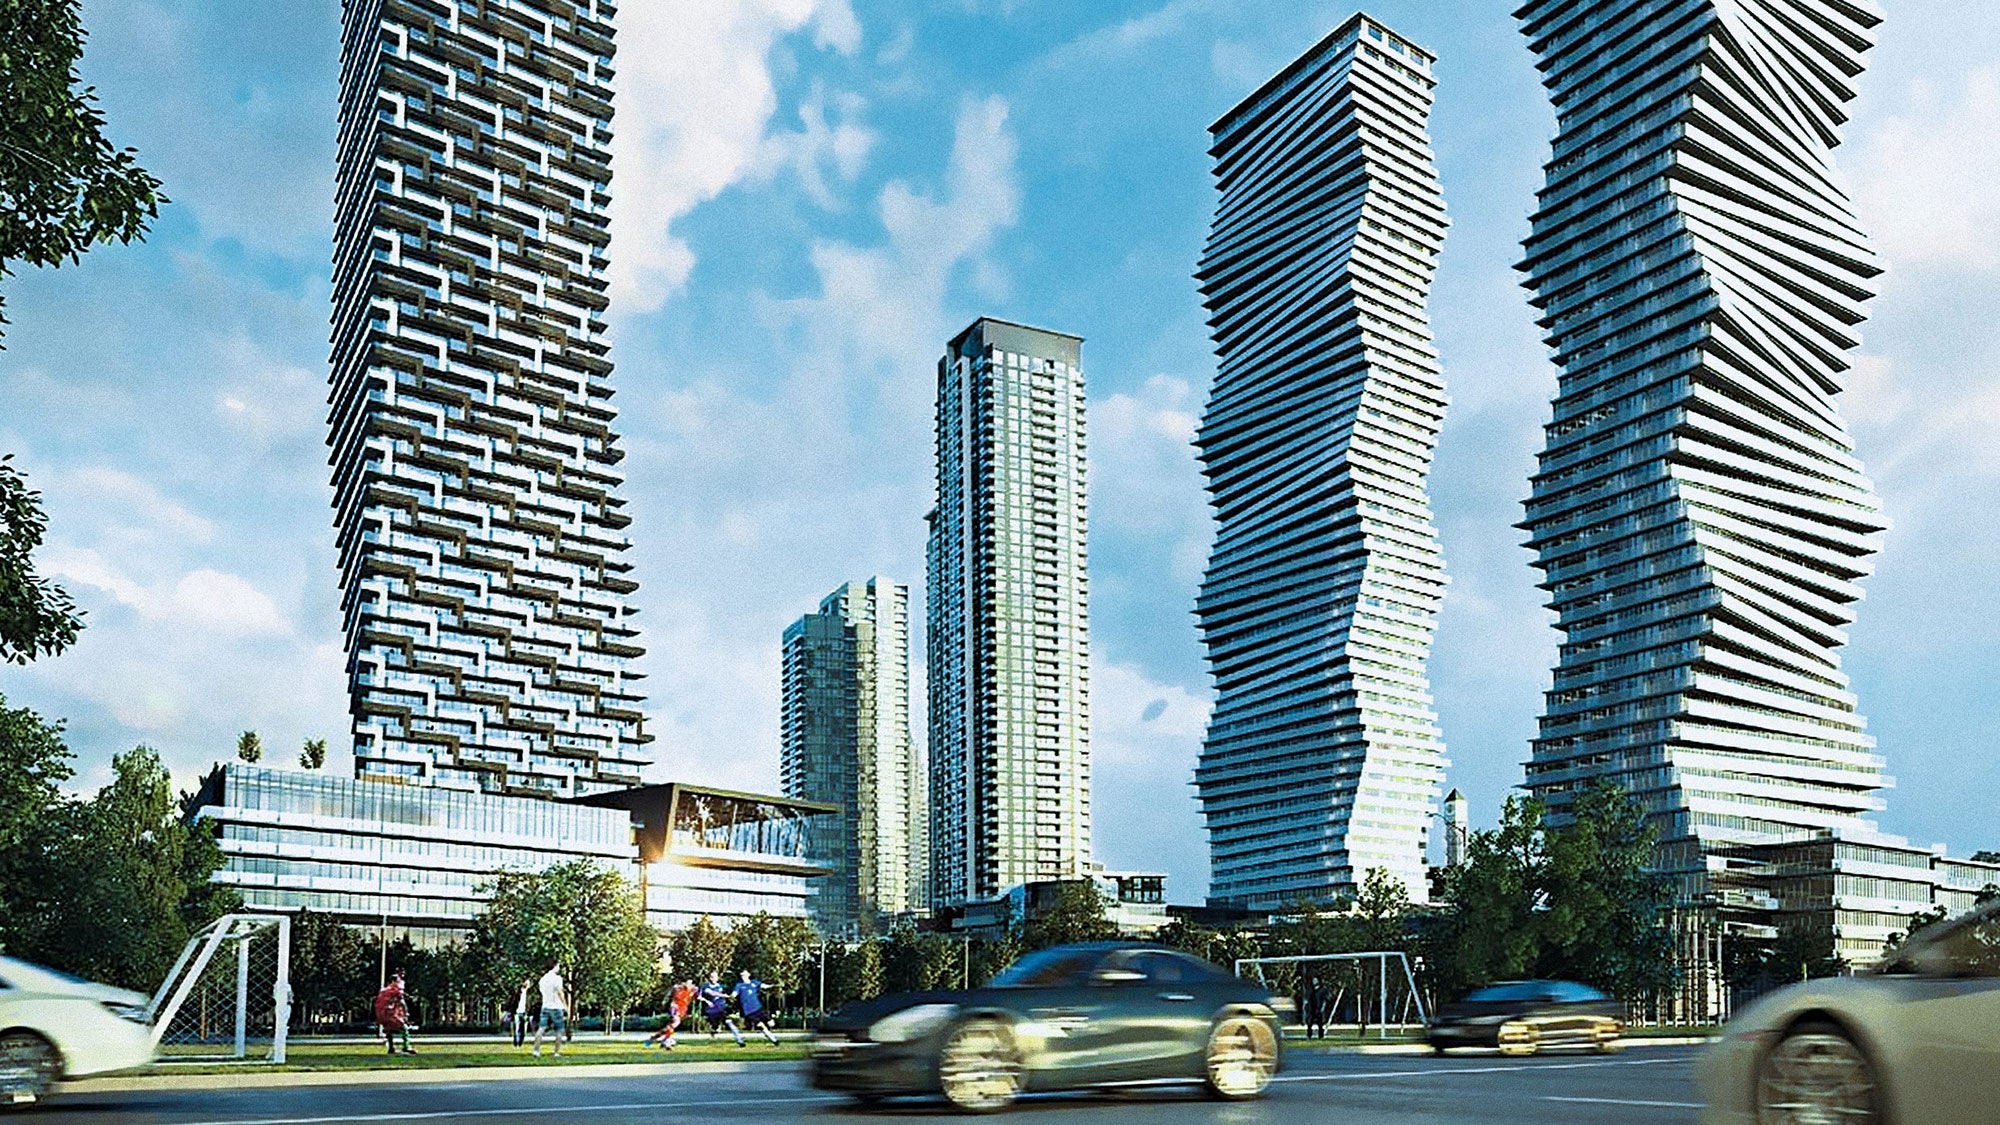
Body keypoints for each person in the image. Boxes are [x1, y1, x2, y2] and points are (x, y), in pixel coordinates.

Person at [647, 978, 698, 1049]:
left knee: (671, 1026)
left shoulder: (693, 990)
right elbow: (673, 997)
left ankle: (655, 1038)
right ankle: (666, 1042)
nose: (689, 985)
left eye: (690, 983)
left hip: (683, 1010)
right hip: (675, 1008)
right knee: (675, 1023)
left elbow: (696, 995)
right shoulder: (679, 989)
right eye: (687, 983)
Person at [732, 969, 779, 1046]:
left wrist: (773, 986)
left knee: (771, 1023)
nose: (743, 976)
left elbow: (764, 986)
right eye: (742, 975)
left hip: (758, 1008)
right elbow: (734, 994)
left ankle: (772, 1035)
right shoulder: (739, 985)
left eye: (744, 974)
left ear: (748, 975)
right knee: (761, 1025)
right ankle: (774, 1040)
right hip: (748, 1011)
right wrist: (731, 996)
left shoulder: (754, 982)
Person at [373, 969, 415, 1055]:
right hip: (390, 1013)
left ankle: (391, 1048)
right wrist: (406, 1012)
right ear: (393, 981)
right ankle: (406, 1046)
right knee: (404, 1028)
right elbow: (401, 1002)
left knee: (389, 1030)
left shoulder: (383, 990)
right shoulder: (395, 990)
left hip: (382, 1014)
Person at [533, 960, 568, 1058]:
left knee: (541, 1028)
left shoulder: (542, 979)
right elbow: (560, 993)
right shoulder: (557, 979)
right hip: (556, 1007)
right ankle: (556, 1052)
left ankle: (536, 1050)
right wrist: (565, 1006)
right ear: (555, 966)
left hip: (545, 1006)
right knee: (559, 1030)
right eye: (558, 966)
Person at [699, 971, 742, 1046]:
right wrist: (726, 996)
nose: (713, 979)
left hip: (721, 1008)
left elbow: (729, 994)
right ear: (709, 978)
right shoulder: (705, 987)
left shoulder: (721, 986)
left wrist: (731, 998)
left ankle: (739, 1040)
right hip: (711, 1010)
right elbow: (712, 993)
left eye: (715, 977)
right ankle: (714, 1030)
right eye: (712, 977)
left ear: (718, 978)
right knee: (716, 1028)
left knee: (729, 1022)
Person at [512, 978, 532, 1048]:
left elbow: (530, 1004)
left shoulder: (529, 994)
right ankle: (516, 1043)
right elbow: (514, 1002)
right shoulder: (518, 993)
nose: (528, 985)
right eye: (527, 983)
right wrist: (513, 1011)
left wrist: (529, 1013)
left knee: (524, 1030)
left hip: (525, 1013)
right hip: (518, 1012)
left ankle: (520, 1043)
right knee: (517, 1029)